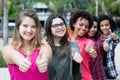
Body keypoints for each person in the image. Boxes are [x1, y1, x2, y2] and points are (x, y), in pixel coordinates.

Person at [2, 9, 52, 80]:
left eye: (33, 26)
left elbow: (46, 55)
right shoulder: (9, 49)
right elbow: (11, 54)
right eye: (25, 26)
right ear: (18, 27)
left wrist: (43, 61)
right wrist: (20, 60)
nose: (29, 30)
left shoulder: (44, 46)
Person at [45, 14, 83, 80]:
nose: (60, 27)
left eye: (62, 24)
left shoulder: (72, 45)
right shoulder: (44, 47)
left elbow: (75, 50)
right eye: (55, 26)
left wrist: (77, 56)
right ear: (49, 29)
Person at [69, 9, 97, 80]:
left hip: (84, 78)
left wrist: (91, 50)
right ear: (74, 24)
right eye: (81, 25)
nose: (83, 28)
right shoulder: (65, 41)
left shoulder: (88, 42)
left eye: (86, 26)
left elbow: (90, 47)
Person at [98, 15, 119, 79]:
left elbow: (116, 42)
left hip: (110, 69)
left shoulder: (112, 37)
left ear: (110, 25)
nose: (104, 27)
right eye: (102, 26)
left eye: (106, 25)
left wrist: (115, 39)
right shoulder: (98, 38)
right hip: (99, 70)